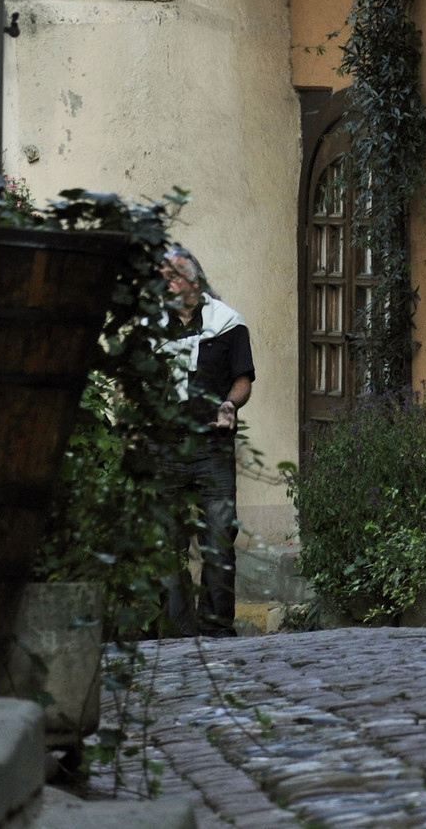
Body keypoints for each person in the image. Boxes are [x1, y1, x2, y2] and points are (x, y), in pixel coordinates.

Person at [162, 245, 254, 636]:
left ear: (194, 281)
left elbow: (243, 381)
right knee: (166, 542)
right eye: (161, 278)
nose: (166, 284)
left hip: (212, 448)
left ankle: (216, 630)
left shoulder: (227, 322)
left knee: (218, 538)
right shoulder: (154, 329)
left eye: (173, 276)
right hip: (165, 449)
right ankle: (178, 633)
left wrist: (230, 406)